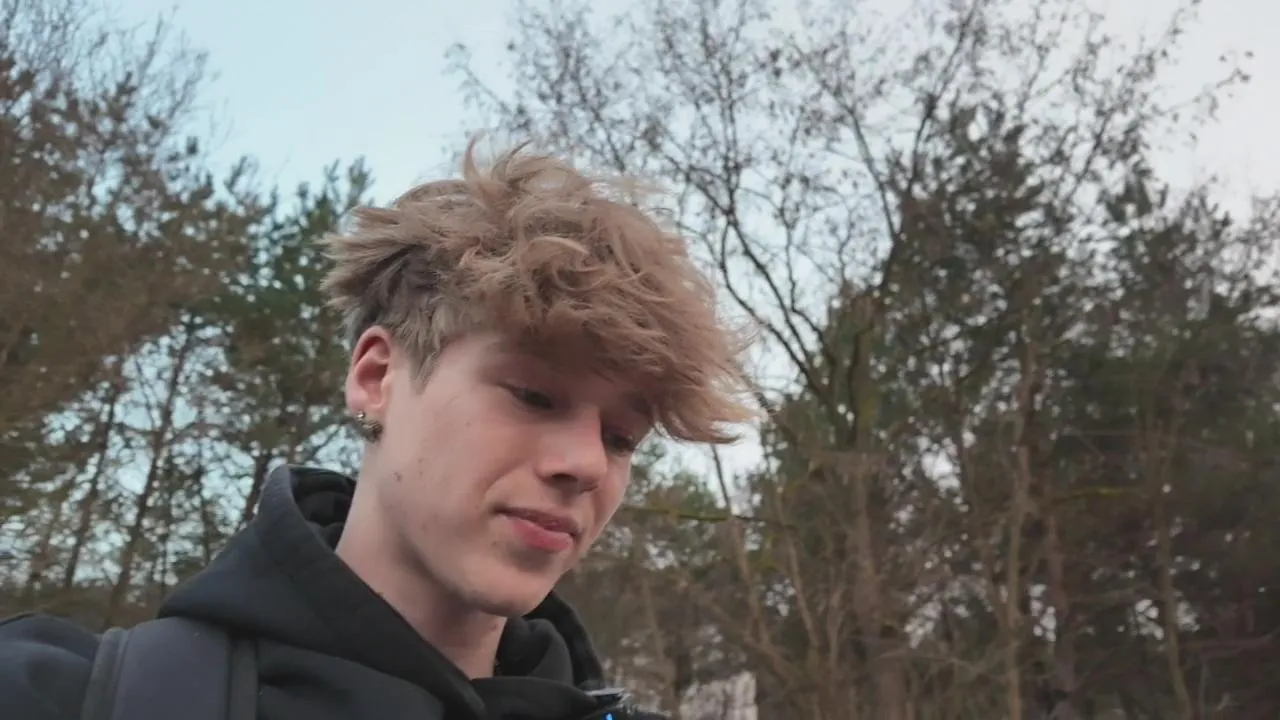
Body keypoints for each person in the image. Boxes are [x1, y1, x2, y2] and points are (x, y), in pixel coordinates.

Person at [0, 140, 756, 720]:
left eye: (622, 438)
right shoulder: (61, 694)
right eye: (533, 395)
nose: (587, 463)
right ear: (376, 376)